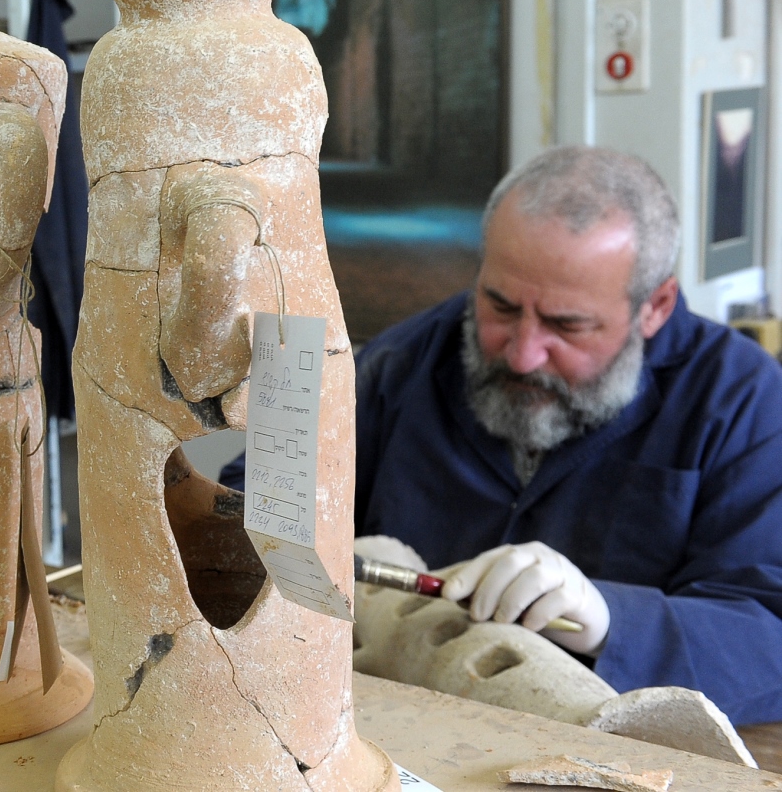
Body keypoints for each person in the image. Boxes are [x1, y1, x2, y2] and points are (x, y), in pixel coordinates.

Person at [223, 146, 782, 725]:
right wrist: (304, 549)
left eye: (567, 324)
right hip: (397, 730)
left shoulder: (742, 400)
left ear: (655, 307)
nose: (522, 354)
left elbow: (771, 634)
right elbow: (246, 508)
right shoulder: (402, 362)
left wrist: (611, 618)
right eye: (500, 305)